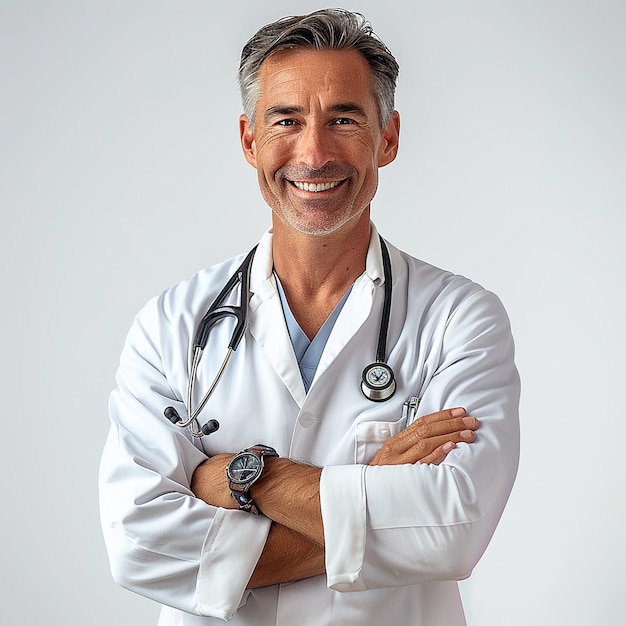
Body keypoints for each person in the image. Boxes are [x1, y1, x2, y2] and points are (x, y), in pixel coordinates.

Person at [99, 8, 520, 626]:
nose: (315, 153)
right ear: (249, 140)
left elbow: (453, 528)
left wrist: (249, 477)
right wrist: (371, 488)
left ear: (389, 137)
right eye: (286, 121)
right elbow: (137, 542)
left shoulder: (459, 319)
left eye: (343, 119)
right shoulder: (173, 325)